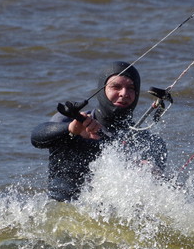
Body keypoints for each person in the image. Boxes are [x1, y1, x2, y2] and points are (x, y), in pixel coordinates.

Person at [31, 62, 167, 201]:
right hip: (64, 211)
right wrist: (71, 130)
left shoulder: (149, 142)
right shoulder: (72, 120)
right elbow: (37, 138)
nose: (124, 93)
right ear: (102, 89)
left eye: (131, 88)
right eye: (116, 86)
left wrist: (152, 175)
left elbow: (158, 190)